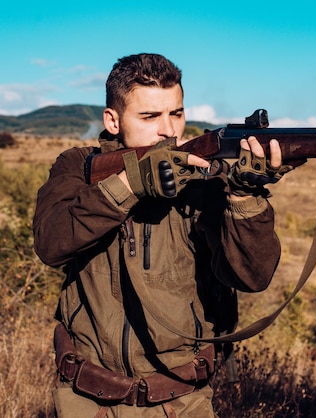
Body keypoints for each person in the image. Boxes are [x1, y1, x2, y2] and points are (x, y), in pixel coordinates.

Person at [33, 53, 292, 417]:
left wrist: (244, 197)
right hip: (86, 400)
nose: (169, 130)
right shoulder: (77, 167)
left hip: (183, 402)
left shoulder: (206, 181)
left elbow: (252, 276)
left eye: (177, 113)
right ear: (112, 120)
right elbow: (50, 242)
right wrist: (131, 185)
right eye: (150, 116)